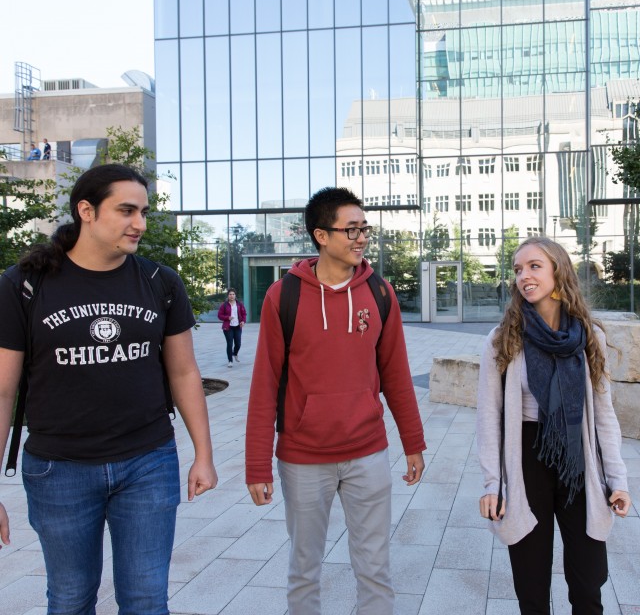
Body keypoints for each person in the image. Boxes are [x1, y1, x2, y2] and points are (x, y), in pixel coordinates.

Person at [0, 163, 218, 614]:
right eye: (126, 210)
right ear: (87, 210)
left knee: (145, 600)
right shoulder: (23, 285)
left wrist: (204, 454)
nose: (139, 223)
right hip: (58, 470)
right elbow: (3, 390)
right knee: (70, 599)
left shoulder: (160, 282)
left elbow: (184, 374)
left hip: (148, 464)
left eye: (144, 211)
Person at [245, 187, 426, 615]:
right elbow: (264, 385)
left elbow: (397, 374)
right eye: (351, 230)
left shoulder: (379, 293)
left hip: (368, 453)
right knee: (305, 566)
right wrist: (257, 464)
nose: (362, 238)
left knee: (375, 566)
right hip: (303, 458)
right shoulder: (283, 296)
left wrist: (413, 443)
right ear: (321, 236)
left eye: (365, 228)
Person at [476, 236, 631, 615]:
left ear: (558, 273)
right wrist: (492, 485)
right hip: (528, 457)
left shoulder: (588, 336)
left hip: (578, 460)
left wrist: (618, 479)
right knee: (530, 586)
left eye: (534, 266)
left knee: (588, 581)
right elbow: (489, 417)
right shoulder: (503, 339)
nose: (523, 276)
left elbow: (604, 414)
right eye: (516, 270)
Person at [217, 287, 246, 368]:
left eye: (233, 294)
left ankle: (235, 353)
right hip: (228, 328)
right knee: (229, 344)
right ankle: (230, 361)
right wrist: (227, 318)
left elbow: (244, 314)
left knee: (238, 344)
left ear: (235, 295)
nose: (232, 296)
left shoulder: (239, 304)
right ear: (228, 295)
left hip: (237, 327)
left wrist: (243, 321)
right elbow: (219, 315)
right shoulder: (224, 305)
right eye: (230, 294)